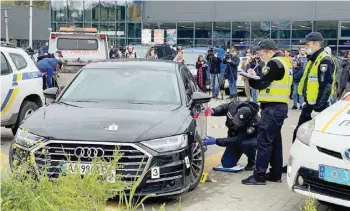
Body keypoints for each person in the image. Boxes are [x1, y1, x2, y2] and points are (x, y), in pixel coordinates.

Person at [241, 39, 291, 185]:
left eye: (262, 53)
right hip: (279, 108)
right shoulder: (285, 62)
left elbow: (262, 82)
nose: (260, 56)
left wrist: (249, 78)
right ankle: (275, 173)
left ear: (269, 51)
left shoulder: (273, 63)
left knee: (264, 141)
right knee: (275, 142)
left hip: (272, 109)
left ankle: (259, 176)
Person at [292, 32, 335, 143]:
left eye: (308, 45)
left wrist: (318, 108)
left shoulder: (324, 60)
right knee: (300, 135)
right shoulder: (313, 59)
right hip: (309, 104)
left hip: (316, 107)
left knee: (306, 137)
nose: (306, 48)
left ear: (316, 45)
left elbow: (326, 86)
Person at [203, 100, 260, 170]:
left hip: (245, 139)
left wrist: (216, 141)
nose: (237, 124)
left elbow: (237, 139)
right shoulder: (235, 105)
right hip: (233, 136)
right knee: (227, 163)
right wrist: (213, 111)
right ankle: (237, 151)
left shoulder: (253, 124)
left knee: (247, 144)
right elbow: (223, 107)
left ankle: (252, 162)